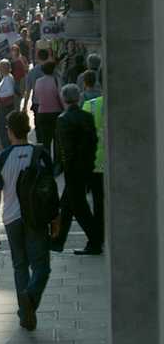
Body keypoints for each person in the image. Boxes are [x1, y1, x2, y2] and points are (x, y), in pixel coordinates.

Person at [0, 111, 54, 330]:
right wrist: (56, 216)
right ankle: (30, 299)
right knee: (42, 266)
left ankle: (26, 310)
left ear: (9, 131)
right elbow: (51, 189)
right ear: (28, 128)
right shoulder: (41, 153)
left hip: (12, 218)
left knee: (20, 266)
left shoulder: (2, 158)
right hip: (37, 217)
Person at [51, 84, 102, 255]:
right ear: (78, 98)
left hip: (73, 170)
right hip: (87, 166)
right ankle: (58, 241)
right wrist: (89, 162)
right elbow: (94, 141)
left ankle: (95, 240)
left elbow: (65, 149)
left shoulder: (63, 119)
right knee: (66, 204)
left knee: (79, 208)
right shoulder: (87, 117)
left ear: (64, 99)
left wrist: (63, 167)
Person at [82, 94, 105, 254]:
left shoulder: (90, 106)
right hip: (116, 162)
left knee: (98, 203)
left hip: (95, 162)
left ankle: (99, 237)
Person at [33, 60, 64, 156]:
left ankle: (46, 163)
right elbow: (61, 95)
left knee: (45, 141)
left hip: (42, 113)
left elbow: (37, 97)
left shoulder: (38, 82)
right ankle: (57, 163)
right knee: (57, 140)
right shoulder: (56, 80)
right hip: (56, 112)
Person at [0, 58, 16, 150]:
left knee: (3, 128)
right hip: (3, 105)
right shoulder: (5, 78)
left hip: (6, 106)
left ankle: (6, 147)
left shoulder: (8, 78)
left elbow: (10, 92)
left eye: (1, 67)